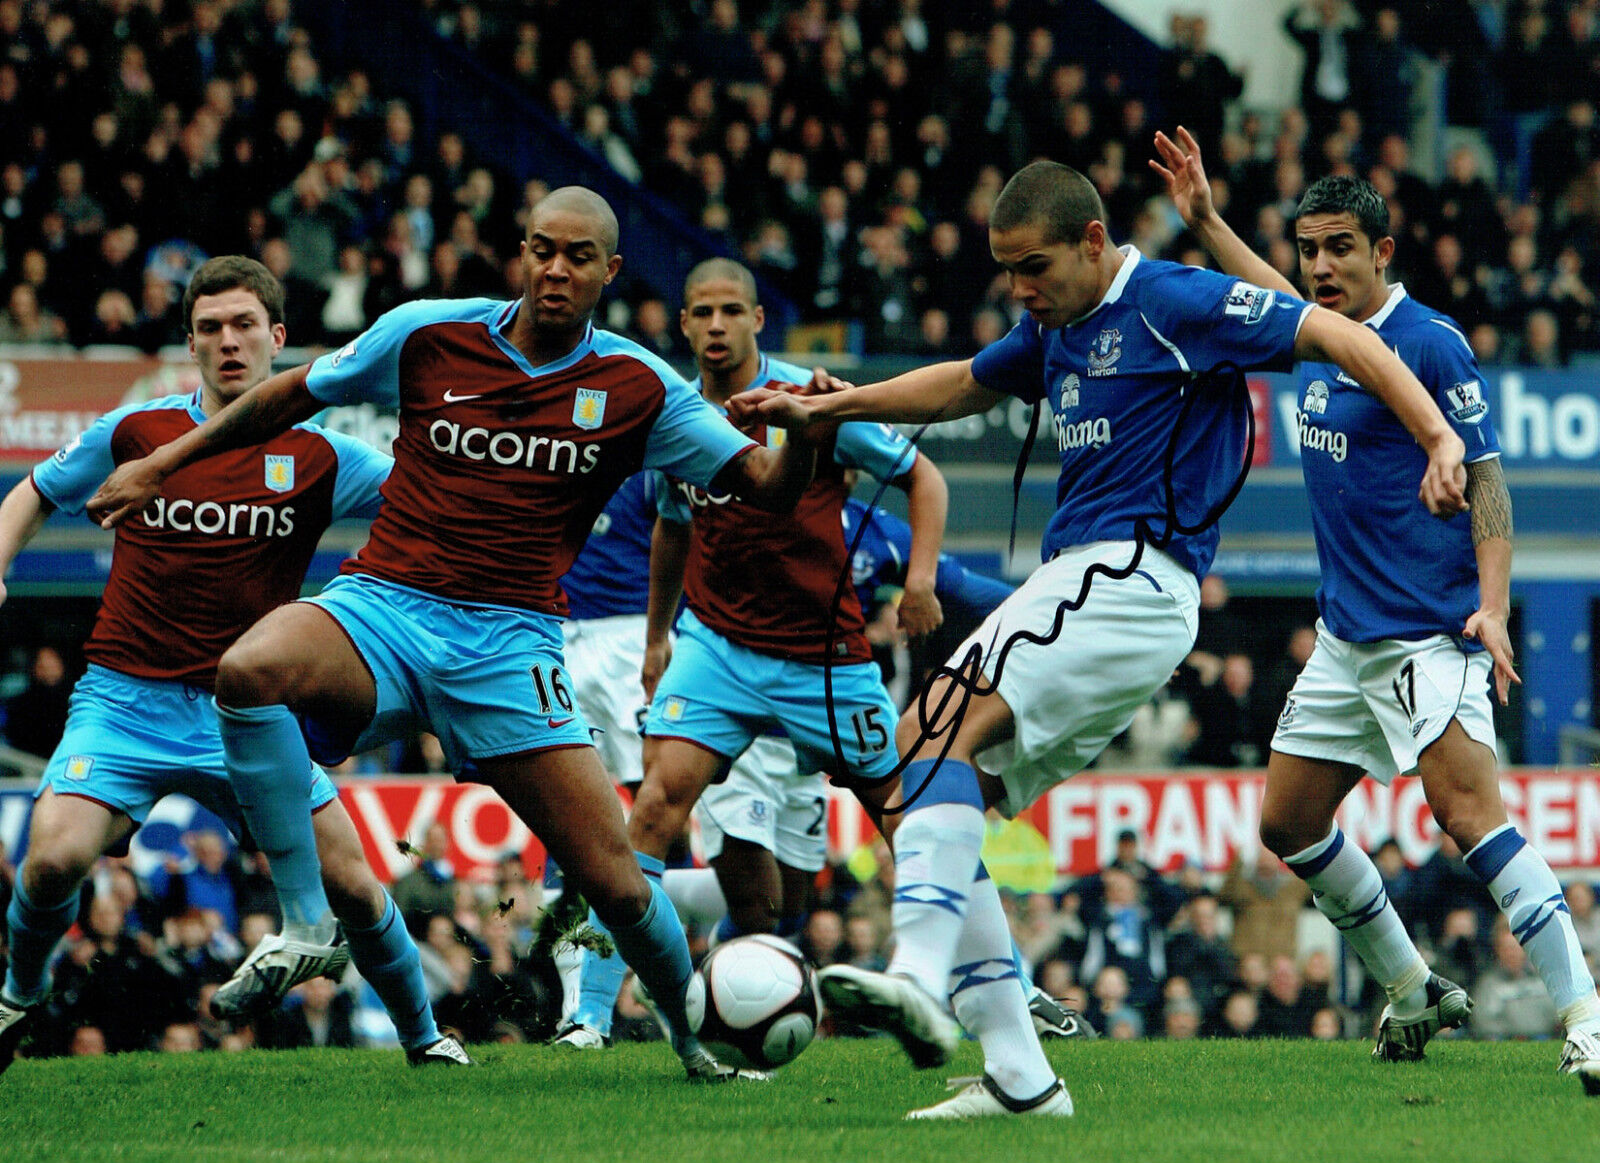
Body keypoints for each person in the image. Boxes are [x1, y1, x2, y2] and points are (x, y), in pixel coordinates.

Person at [732, 158, 1468, 1119]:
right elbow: (959, 383)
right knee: (913, 786)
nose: (1019, 290)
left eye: (1032, 266)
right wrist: (829, 407)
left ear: (1091, 242)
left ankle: (916, 972)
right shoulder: (1055, 326)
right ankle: (1019, 1076)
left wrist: (1438, 437)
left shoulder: (1169, 299)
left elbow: (1338, 335)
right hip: (1097, 590)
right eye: (1006, 272)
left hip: (1127, 572)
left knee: (917, 740)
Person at [84, 188, 821, 1083]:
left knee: (621, 883)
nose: (557, 269)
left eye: (578, 256)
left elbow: (766, 485)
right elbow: (288, 394)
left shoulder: (639, 388)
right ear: (521, 252)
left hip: (512, 649)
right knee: (249, 668)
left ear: (610, 273)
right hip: (386, 608)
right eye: (542, 249)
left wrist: (808, 433)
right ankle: (309, 920)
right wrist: (161, 461)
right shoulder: (428, 332)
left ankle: (689, 1037)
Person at [1152, 127, 1600, 1093]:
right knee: (1289, 822)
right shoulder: (1313, 329)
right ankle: (1413, 985)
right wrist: (1207, 221)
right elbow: (1262, 290)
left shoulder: (1429, 343)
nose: (1320, 267)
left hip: (1428, 635)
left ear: (1380, 252)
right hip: (1346, 640)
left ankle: (1587, 1013)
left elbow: (1489, 484)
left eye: (1339, 249)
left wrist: (1492, 609)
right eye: (1310, 249)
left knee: (1468, 815)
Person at [0, 256, 466, 1073]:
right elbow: (34, 489)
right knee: (49, 862)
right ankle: (19, 993)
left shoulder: (322, 455)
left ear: (278, 338)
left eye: (245, 324)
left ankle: (424, 1038)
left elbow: (430, 502)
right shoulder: (136, 432)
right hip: (125, 701)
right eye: (210, 327)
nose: (228, 341)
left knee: (354, 888)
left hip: (246, 716)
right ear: (190, 342)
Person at [562, 257, 948, 1045]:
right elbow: (673, 523)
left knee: (909, 820)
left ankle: (996, 984)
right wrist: (657, 635)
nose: (714, 325)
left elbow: (926, 478)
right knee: (653, 810)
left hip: (825, 657)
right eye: (700, 311)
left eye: (730, 310)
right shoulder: (674, 414)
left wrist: (920, 581)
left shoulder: (812, 399)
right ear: (683, 324)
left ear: (756, 320)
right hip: (718, 646)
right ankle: (589, 1015)